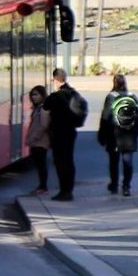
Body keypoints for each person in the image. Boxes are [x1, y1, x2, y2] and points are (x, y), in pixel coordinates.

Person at [42, 70, 88, 202]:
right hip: (71, 132)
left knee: (60, 162)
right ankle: (69, 190)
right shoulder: (74, 93)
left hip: (58, 133)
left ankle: (64, 191)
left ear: (55, 80)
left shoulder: (55, 96)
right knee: (69, 160)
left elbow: (45, 107)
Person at [98, 74, 138, 197]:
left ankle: (114, 185)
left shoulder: (111, 97)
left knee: (114, 161)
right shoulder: (132, 96)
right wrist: (135, 134)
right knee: (127, 161)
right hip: (129, 135)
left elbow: (105, 118)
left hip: (114, 135)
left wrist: (102, 136)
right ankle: (126, 186)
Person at [21, 84, 50, 195]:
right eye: (32, 95)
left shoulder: (43, 109)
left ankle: (43, 187)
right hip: (36, 142)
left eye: (36, 94)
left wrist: (34, 137)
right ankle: (41, 186)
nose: (33, 97)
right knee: (39, 165)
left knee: (41, 165)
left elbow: (43, 125)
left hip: (40, 143)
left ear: (42, 95)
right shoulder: (37, 108)